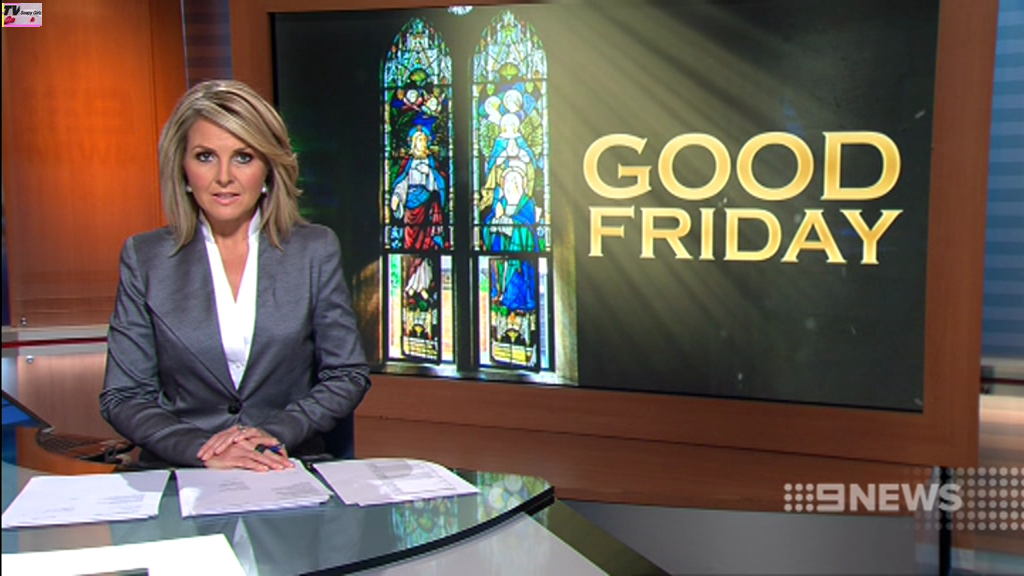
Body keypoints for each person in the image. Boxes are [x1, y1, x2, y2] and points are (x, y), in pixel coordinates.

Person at [100, 80, 370, 470]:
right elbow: (124, 396)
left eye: (243, 157)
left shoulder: (314, 250)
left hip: (284, 467)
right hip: (184, 471)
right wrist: (205, 449)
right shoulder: (145, 258)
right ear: (182, 167)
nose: (224, 176)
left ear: (268, 168)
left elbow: (346, 374)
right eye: (205, 156)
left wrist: (273, 434)